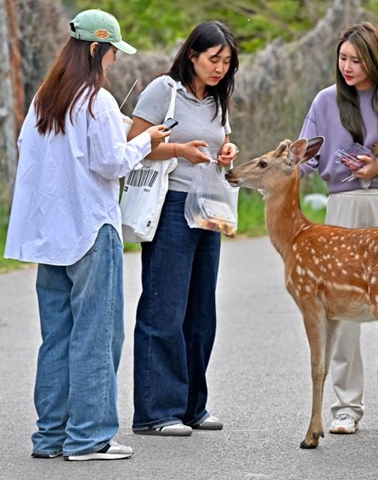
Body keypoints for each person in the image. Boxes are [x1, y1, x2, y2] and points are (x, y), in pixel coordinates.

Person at [4, 9, 170, 461]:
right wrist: (147, 140)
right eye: (114, 51)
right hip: (92, 230)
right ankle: (89, 438)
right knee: (97, 334)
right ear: (97, 48)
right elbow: (111, 163)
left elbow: (31, 153)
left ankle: (50, 437)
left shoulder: (45, 98)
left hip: (49, 234)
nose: (115, 60)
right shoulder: (96, 101)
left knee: (57, 336)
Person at [298, 22, 378, 435]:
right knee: (342, 305)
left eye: (356, 59)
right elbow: (302, 157)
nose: (347, 67)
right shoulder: (325, 101)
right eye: (343, 58)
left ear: (376, 60)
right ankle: (346, 406)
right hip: (344, 204)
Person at [126, 21, 240, 436]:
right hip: (171, 205)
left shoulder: (218, 100)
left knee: (201, 312)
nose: (220, 69)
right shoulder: (163, 91)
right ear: (192, 54)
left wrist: (227, 152)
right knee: (164, 309)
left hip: (208, 208)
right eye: (214, 59)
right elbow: (135, 149)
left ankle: (193, 406)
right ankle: (155, 413)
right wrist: (178, 150)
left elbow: (219, 145)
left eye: (227, 62)